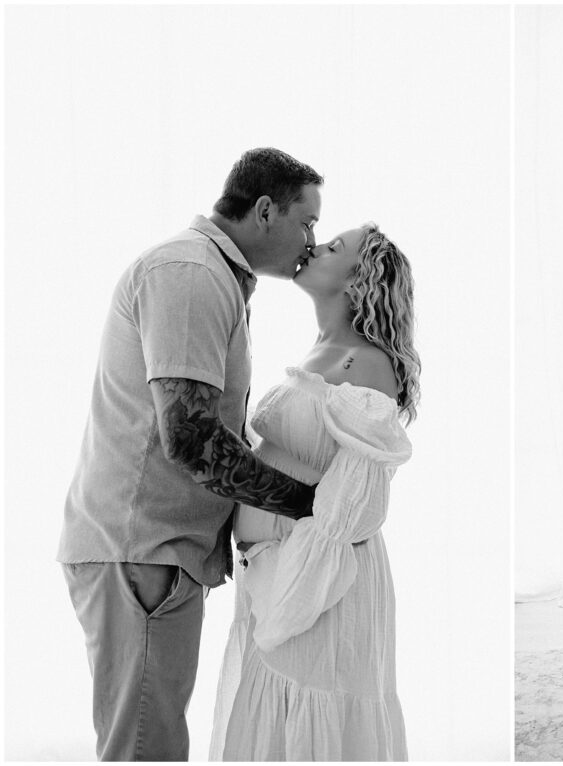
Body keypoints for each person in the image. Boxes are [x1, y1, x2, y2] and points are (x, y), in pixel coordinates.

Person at [58, 147, 325, 760]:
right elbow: (192, 439)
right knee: (146, 750)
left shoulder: (208, 274)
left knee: (151, 741)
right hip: (144, 552)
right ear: (264, 211)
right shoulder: (191, 273)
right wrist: (310, 504)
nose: (312, 240)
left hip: (151, 552)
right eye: (306, 222)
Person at [209, 223, 420, 761]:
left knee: (313, 729)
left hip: (321, 584)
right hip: (275, 573)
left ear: (358, 280)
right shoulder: (321, 350)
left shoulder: (366, 362)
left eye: (333, 247)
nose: (314, 245)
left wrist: (293, 582)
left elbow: (355, 504)